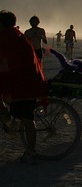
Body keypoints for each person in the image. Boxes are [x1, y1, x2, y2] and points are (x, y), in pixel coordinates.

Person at [0, 10, 48, 163]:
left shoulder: (9, 37)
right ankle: (10, 121)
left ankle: (31, 151)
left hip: (25, 82)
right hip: (22, 79)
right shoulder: (18, 34)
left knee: (27, 117)